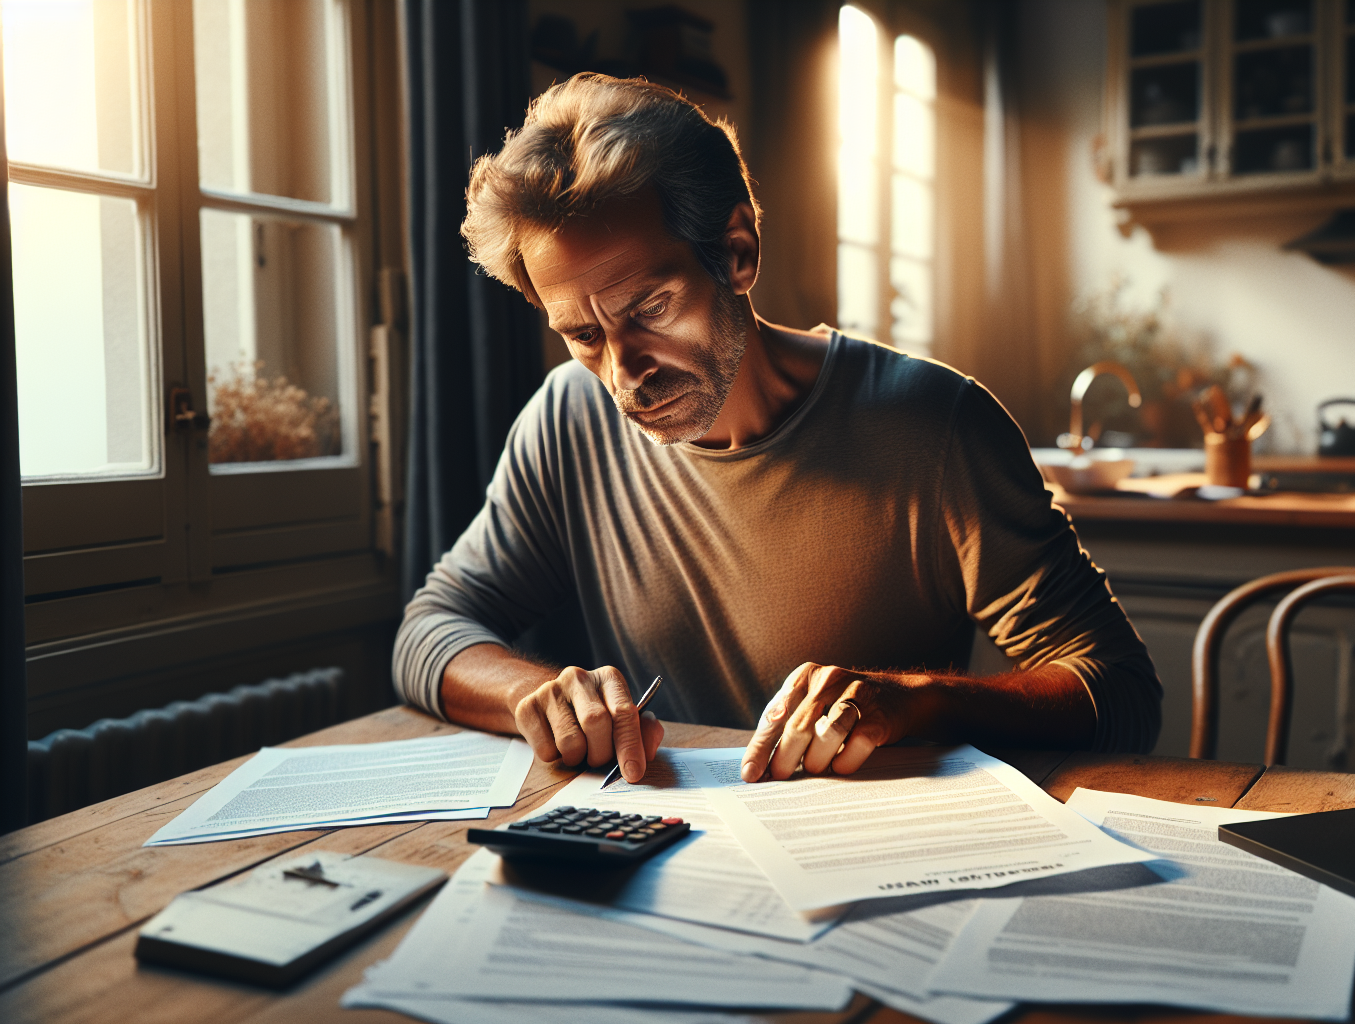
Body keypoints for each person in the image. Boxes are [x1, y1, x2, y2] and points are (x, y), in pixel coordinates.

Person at [394, 74, 1160, 785]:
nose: (626, 373)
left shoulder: (937, 427)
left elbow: (1119, 688)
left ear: (738, 252)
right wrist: (540, 694)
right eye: (585, 336)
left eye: (651, 309)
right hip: (660, 856)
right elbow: (430, 630)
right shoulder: (568, 420)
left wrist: (921, 701)